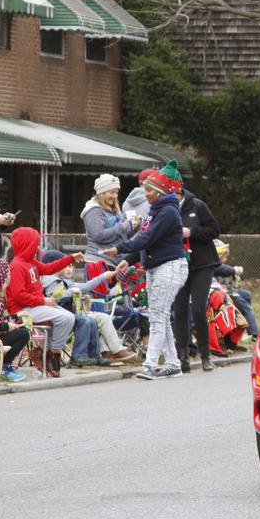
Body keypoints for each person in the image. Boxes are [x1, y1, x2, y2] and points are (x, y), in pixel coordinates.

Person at [101, 161, 188, 380]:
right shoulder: (155, 211)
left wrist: (121, 248)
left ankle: (149, 364)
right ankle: (173, 363)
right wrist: (129, 259)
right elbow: (145, 239)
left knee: (157, 316)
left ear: (160, 191)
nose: (145, 193)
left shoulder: (167, 212)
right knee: (161, 315)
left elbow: (147, 237)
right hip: (156, 267)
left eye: (149, 190)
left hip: (169, 266)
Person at [6, 228, 82, 377]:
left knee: (69, 317)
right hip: (24, 309)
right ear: (26, 244)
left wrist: (70, 258)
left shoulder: (30, 262)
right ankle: (50, 356)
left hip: (36, 305)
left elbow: (49, 268)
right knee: (66, 318)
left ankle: (46, 354)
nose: (37, 247)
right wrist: (43, 300)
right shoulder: (17, 266)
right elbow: (18, 295)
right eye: (34, 243)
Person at [40, 250, 138, 364]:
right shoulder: (49, 281)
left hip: (67, 313)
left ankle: (100, 353)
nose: (67, 266)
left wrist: (82, 297)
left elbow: (81, 288)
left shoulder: (63, 280)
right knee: (92, 319)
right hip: (60, 316)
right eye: (64, 264)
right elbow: (60, 297)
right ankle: (105, 352)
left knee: (96, 319)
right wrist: (102, 277)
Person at [172, 178, 221, 373]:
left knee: (199, 308)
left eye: (173, 193)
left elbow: (214, 230)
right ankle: (183, 356)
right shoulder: (166, 210)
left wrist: (191, 232)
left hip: (202, 264)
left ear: (180, 191)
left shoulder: (197, 205)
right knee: (180, 310)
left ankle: (205, 355)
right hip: (178, 264)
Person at [82, 174, 140, 267]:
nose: (115, 196)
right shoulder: (93, 210)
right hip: (98, 262)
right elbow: (99, 235)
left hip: (114, 262)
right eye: (112, 192)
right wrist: (125, 225)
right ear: (102, 192)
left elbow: (121, 235)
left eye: (116, 192)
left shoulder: (114, 209)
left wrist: (133, 227)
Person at [213, 239, 259, 341]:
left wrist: (234, 271)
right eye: (224, 257)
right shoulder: (214, 266)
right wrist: (234, 270)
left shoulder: (221, 266)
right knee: (246, 307)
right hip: (223, 295)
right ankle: (255, 333)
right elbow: (222, 269)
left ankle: (247, 326)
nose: (225, 260)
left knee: (246, 294)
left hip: (228, 291)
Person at [0, 259, 30, 382]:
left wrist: (16, 316)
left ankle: (5, 366)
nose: (10, 276)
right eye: (8, 274)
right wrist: (7, 326)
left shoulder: (2, 297)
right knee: (23, 334)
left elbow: (1, 318)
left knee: (22, 330)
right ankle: (5, 367)